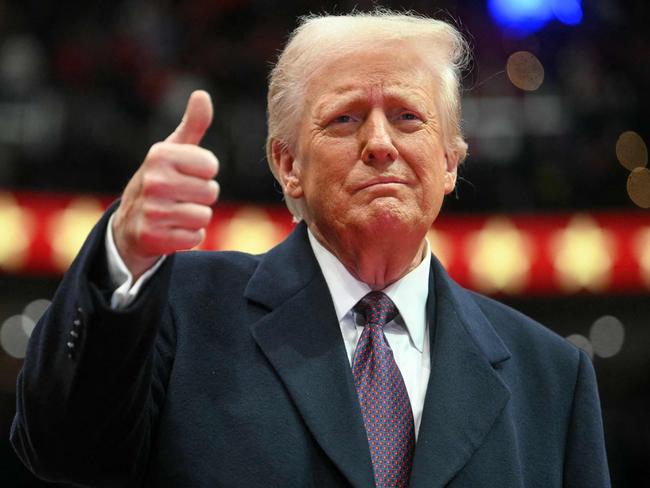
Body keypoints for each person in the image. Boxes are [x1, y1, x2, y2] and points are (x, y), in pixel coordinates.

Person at [11, 10, 610, 488]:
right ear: (286, 164)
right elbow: (65, 450)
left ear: (451, 160)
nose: (379, 143)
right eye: (345, 120)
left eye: (407, 117)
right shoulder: (181, 312)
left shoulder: (553, 376)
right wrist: (124, 253)